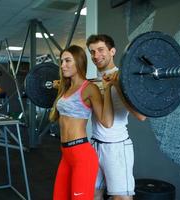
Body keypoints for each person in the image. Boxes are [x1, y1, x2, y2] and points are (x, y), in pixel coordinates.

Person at [49, 45, 115, 200]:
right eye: (62, 61)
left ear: (78, 62)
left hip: (81, 155)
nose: (62, 65)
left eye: (67, 61)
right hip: (66, 154)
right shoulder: (65, 87)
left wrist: (107, 90)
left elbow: (107, 121)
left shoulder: (89, 88)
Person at [86, 34, 146, 200]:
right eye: (92, 52)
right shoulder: (94, 82)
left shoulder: (125, 78)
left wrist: (116, 86)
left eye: (100, 50)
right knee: (92, 194)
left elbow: (141, 116)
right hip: (95, 144)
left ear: (112, 51)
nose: (96, 56)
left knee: (121, 198)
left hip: (117, 147)